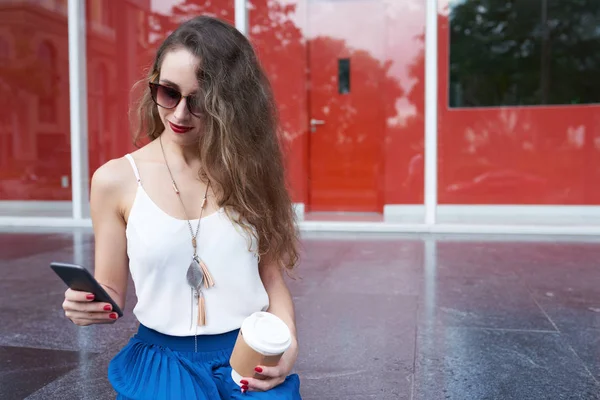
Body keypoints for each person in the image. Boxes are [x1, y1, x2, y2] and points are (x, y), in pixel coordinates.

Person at [61, 16, 302, 399]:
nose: (179, 114)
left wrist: (287, 344)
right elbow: (110, 290)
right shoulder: (115, 180)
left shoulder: (251, 172)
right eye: (169, 93)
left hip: (246, 354)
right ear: (153, 83)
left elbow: (272, 281)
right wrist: (86, 304)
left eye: (201, 101)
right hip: (162, 363)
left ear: (233, 105)